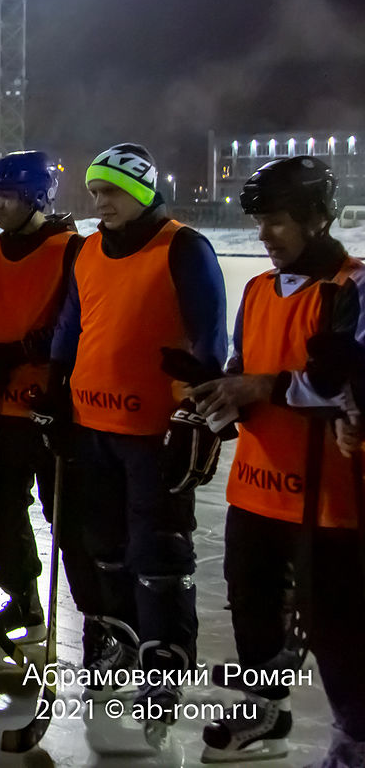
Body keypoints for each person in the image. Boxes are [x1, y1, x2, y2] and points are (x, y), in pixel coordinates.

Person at [42, 143, 226, 732]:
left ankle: (163, 660)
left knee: (159, 549)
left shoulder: (183, 247)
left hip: (153, 434)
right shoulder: (88, 250)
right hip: (91, 427)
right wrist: (56, 386)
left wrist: (198, 407)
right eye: (95, 192)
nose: (100, 202)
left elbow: (209, 339)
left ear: (143, 191)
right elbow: (72, 325)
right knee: (103, 545)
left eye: (112, 192)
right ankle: (120, 640)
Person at [188, 157, 365, 766]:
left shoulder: (352, 287)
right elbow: (245, 366)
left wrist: (264, 387)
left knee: (337, 629)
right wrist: (219, 399)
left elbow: (351, 387)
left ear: (317, 218)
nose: (264, 234)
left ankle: (355, 741)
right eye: (259, 221)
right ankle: (266, 713)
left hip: (330, 500)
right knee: (253, 611)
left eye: (278, 221)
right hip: (256, 489)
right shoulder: (259, 289)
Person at [0, 151, 93, 651]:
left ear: (36, 196)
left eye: (7, 195)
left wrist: (19, 354)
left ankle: (98, 617)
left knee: (69, 518)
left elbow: (80, 323)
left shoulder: (72, 250)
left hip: (51, 409)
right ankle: (23, 598)